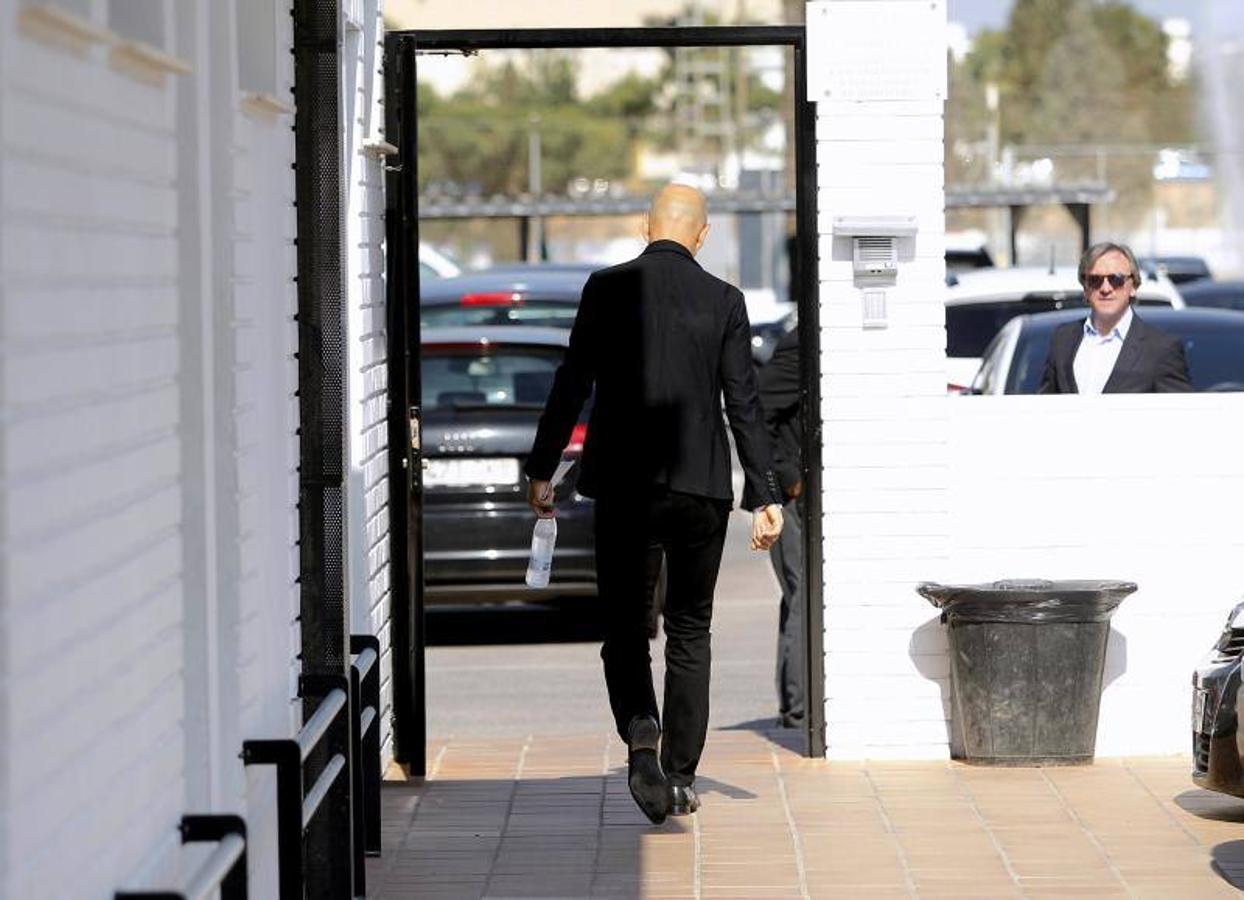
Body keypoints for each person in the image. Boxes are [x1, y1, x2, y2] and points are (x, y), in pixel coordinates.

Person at [524, 183, 785, 824]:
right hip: (700, 489)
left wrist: (542, 466)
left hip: (622, 487)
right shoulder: (725, 300)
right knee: (690, 629)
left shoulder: (605, 289)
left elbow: (572, 382)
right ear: (701, 236)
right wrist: (766, 494)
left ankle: (642, 733)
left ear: (647, 228)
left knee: (624, 626)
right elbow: (742, 401)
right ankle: (681, 773)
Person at [1038, 242, 1193, 394]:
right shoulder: (1063, 340)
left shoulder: (1161, 349)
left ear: (1133, 286)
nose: (1106, 288)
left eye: (1116, 279)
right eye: (1095, 280)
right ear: (1085, 288)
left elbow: (1179, 414)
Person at [758, 325, 805, 729]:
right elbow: (756, 407)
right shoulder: (802, 344)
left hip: (799, 495)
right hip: (788, 497)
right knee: (802, 591)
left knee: (799, 594)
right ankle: (798, 705)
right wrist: (787, 475)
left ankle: (797, 702)